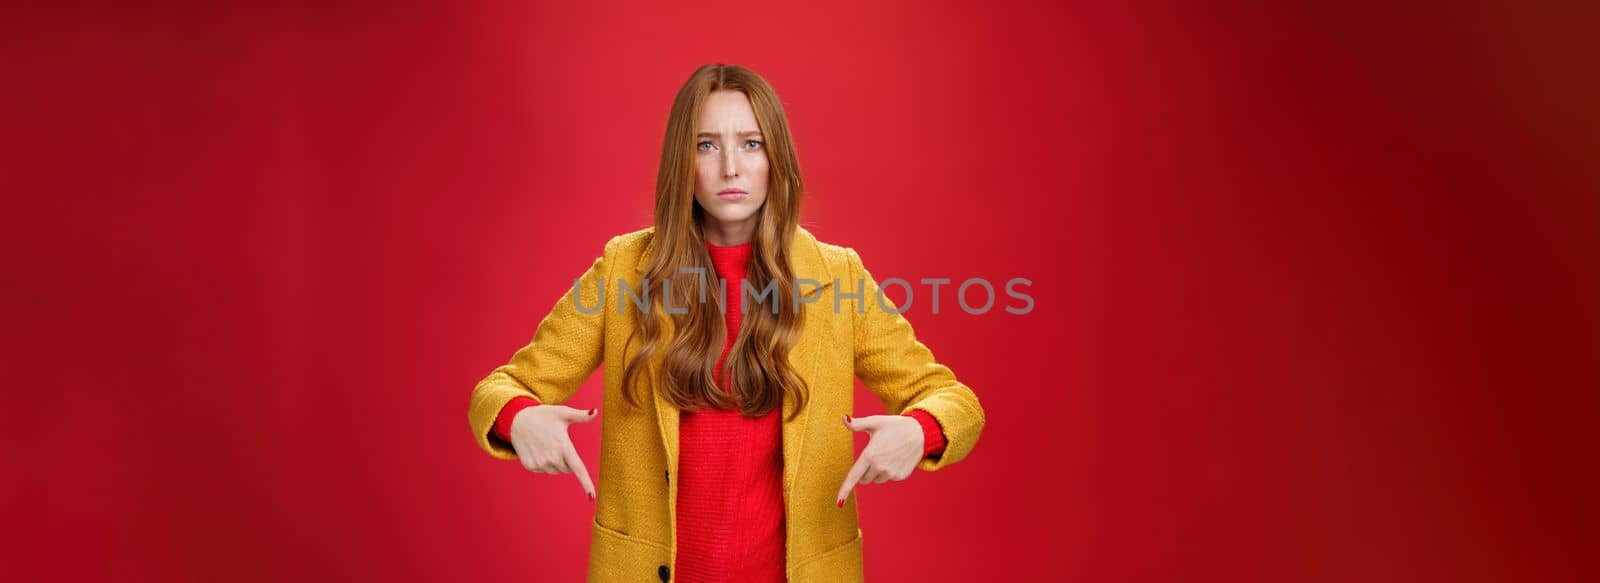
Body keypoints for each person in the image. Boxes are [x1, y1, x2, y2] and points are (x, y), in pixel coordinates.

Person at [467, 63, 985, 583]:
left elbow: (953, 401)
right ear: (682, 162)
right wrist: (520, 418)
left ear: (775, 158)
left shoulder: (836, 276)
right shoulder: (624, 269)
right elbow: (501, 389)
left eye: (752, 144)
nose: (731, 168)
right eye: (707, 145)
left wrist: (920, 432)